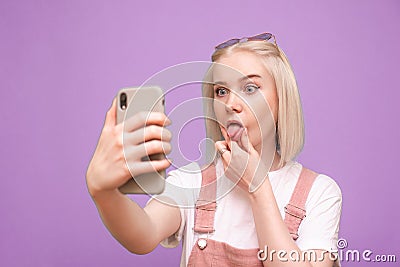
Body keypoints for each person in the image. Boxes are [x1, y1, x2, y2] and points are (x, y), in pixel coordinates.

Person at [86, 32, 342, 267]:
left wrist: (258, 189)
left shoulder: (319, 194)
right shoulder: (192, 183)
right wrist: (104, 193)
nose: (231, 104)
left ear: (281, 99)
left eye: (250, 88)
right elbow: (143, 235)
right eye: (221, 91)